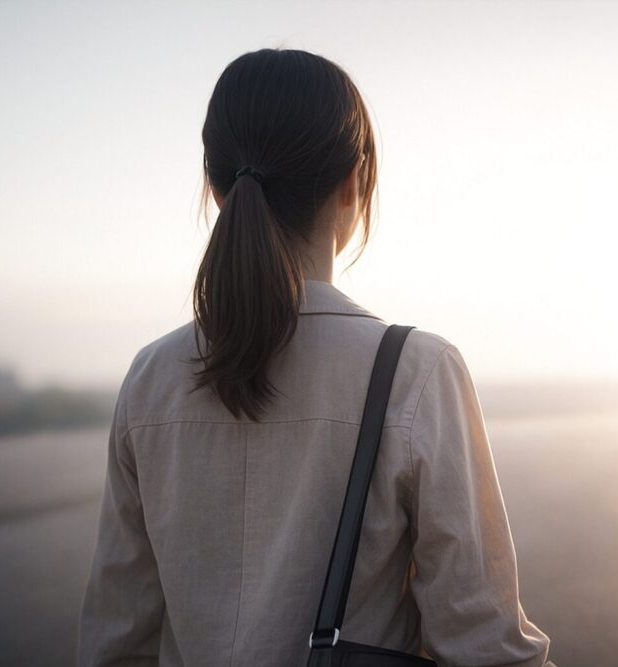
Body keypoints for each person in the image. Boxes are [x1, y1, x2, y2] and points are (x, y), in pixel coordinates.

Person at [77, 47, 555, 667]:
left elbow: (115, 644)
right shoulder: (415, 371)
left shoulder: (150, 378)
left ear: (216, 189)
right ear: (354, 183)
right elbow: (486, 647)